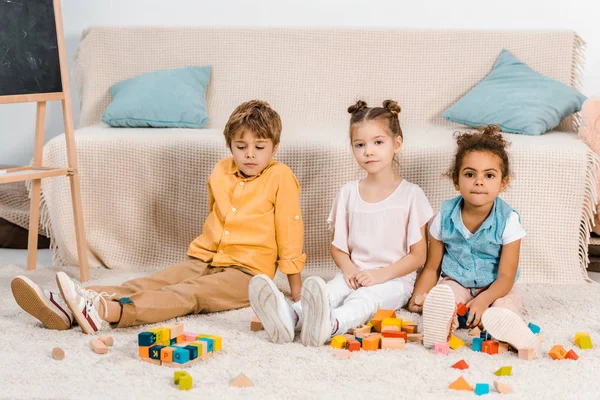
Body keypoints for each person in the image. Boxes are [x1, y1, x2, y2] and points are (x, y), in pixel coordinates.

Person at [11, 100, 306, 334]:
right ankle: (69, 302)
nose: (250, 155)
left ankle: (106, 311)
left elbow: (290, 236)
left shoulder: (281, 177)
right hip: (205, 259)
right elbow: (216, 218)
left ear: (274, 148)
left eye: (260, 147)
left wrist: (297, 296)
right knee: (150, 282)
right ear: (230, 146)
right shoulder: (221, 170)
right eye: (241, 147)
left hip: (247, 273)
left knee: (188, 294)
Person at [249, 100, 433, 346]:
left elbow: (418, 256)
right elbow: (338, 247)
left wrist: (380, 275)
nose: (368, 151)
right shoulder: (348, 192)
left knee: (364, 300)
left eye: (378, 142)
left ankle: (330, 324)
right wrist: (349, 270)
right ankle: (291, 317)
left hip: (394, 281)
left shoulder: (412, 195)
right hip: (353, 271)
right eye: (360, 144)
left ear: (396, 144)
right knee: (330, 291)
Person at [408, 125, 540, 352]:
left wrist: (483, 299)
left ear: (503, 183)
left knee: (505, 305)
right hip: (457, 281)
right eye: (470, 174)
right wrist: (418, 296)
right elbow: (432, 268)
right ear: (456, 181)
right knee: (445, 296)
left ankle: (508, 328)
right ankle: (439, 326)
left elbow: (506, 277)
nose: (479, 181)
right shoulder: (444, 217)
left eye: (489, 175)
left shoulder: (508, 221)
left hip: (495, 285)